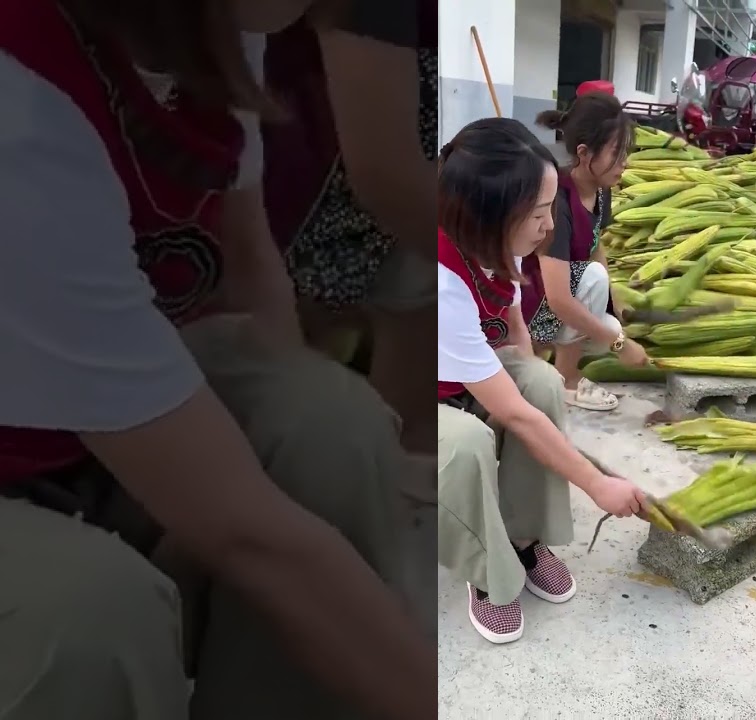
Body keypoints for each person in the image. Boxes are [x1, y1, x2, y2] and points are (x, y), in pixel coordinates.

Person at [0, 0, 433, 718]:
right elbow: (252, 536)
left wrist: (261, 463)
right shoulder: (24, 93)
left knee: (333, 427)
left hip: (95, 413)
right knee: (90, 616)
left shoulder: (224, 27)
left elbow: (248, 254)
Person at [437, 117, 649, 645]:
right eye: (536, 214)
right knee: (466, 442)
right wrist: (596, 484)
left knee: (543, 382)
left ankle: (523, 537)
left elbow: (511, 327)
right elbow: (509, 413)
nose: (548, 228)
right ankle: (489, 574)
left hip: (463, 376)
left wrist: (531, 377)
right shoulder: (440, 275)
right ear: (489, 215)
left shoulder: (498, 241)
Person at [260, 0, 440, 465]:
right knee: (290, 400)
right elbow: (383, 170)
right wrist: (480, 262)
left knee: (402, 425)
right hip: (318, 207)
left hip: (413, 210)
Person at [523, 92, 650, 412]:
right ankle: (561, 379)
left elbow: (596, 246)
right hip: (528, 302)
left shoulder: (600, 192)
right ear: (583, 152)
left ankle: (548, 370)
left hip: (555, 297)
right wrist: (618, 344)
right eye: (616, 154)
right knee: (597, 296)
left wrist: (614, 301)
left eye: (626, 153)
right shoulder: (558, 203)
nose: (625, 163)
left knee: (604, 301)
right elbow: (559, 299)